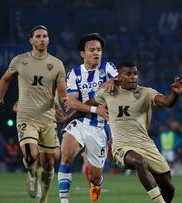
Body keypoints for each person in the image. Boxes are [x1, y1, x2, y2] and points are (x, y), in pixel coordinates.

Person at [0, 25, 67, 203]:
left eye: (45, 36)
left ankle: (44, 199)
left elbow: (62, 92)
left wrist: (65, 106)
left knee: (49, 163)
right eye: (38, 36)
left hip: (48, 119)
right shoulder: (20, 60)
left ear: (48, 40)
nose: (42, 39)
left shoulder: (57, 64)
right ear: (31, 40)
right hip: (26, 117)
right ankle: (32, 174)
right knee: (31, 155)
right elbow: (5, 79)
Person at [95, 61, 182, 203]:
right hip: (121, 146)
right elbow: (92, 101)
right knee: (139, 161)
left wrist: (174, 94)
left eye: (135, 73)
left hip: (146, 145)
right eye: (128, 74)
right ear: (120, 76)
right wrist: (92, 110)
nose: (133, 77)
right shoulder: (108, 92)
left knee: (169, 188)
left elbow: (166, 102)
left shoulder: (146, 93)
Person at [58, 33, 118, 203]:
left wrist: (116, 81)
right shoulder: (74, 74)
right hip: (80, 121)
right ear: (82, 53)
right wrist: (94, 108)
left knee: (95, 177)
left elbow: (120, 80)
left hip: (99, 127)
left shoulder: (107, 68)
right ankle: (64, 201)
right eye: (92, 50)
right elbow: (72, 102)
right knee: (66, 155)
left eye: (99, 50)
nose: (96, 53)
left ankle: (95, 186)